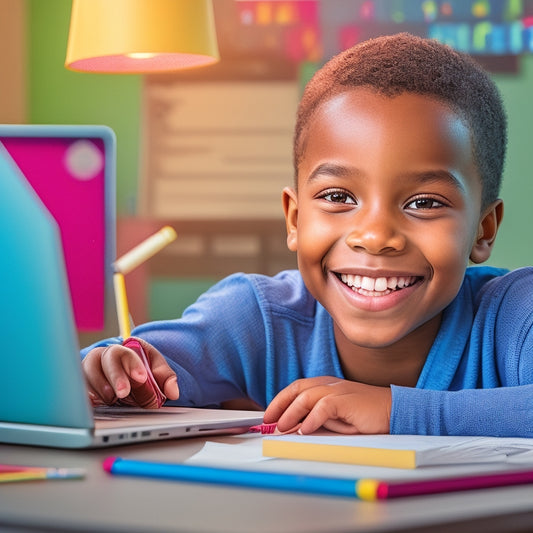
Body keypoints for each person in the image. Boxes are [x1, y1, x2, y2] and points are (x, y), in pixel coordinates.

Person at [82, 33, 533, 437]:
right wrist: (110, 368)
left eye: (425, 203)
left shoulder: (513, 317)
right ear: (295, 218)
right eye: (338, 196)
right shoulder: (257, 318)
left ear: (483, 228)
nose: (375, 237)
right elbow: (142, 363)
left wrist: (397, 411)